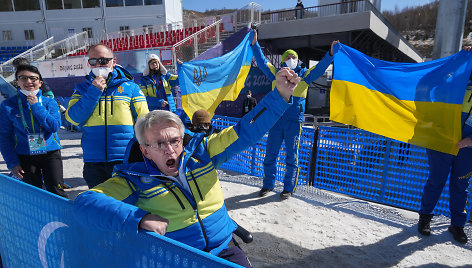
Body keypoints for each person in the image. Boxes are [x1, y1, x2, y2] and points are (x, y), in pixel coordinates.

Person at [74, 68, 300, 267]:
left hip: (225, 248)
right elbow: (86, 202)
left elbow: (245, 131)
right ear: (145, 150)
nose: (170, 150)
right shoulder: (133, 179)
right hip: (179, 259)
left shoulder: (204, 154)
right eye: (159, 144)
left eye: (174, 141)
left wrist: (280, 95)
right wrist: (138, 217)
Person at [252, 30, 339, 199]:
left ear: (297, 60)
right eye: (286, 57)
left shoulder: (304, 76)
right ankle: (268, 185)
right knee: (270, 155)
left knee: (292, 158)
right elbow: (262, 62)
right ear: (283, 60)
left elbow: (320, 67)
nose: (289, 60)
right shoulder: (275, 75)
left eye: (292, 57)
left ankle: (288, 189)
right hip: (276, 121)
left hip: (293, 123)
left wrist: (330, 53)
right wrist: (255, 44)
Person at [65, 43, 149, 188]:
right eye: (93, 61)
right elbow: (72, 118)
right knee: (100, 204)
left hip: (125, 158)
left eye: (103, 60)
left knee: (126, 202)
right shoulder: (82, 88)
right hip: (93, 161)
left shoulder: (131, 88)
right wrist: (94, 91)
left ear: (113, 61)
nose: (98, 64)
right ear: (88, 63)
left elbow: (145, 123)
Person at [417, 67, 472, 244]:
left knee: (460, 186)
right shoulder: (451, 78)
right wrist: (456, 63)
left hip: (468, 148)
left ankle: (457, 225)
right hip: (441, 142)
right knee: (436, 181)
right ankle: (425, 217)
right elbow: (424, 84)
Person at [0, 64, 67, 198]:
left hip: (50, 153)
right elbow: (3, 136)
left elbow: (54, 126)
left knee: (57, 191)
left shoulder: (50, 103)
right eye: (23, 78)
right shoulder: (8, 106)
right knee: (33, 195)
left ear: (40, 82)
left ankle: (61, 219)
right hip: (25, 156)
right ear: (17, 82)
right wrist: (12, 163)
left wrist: (36, 106)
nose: (28, 82)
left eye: (33, 78)